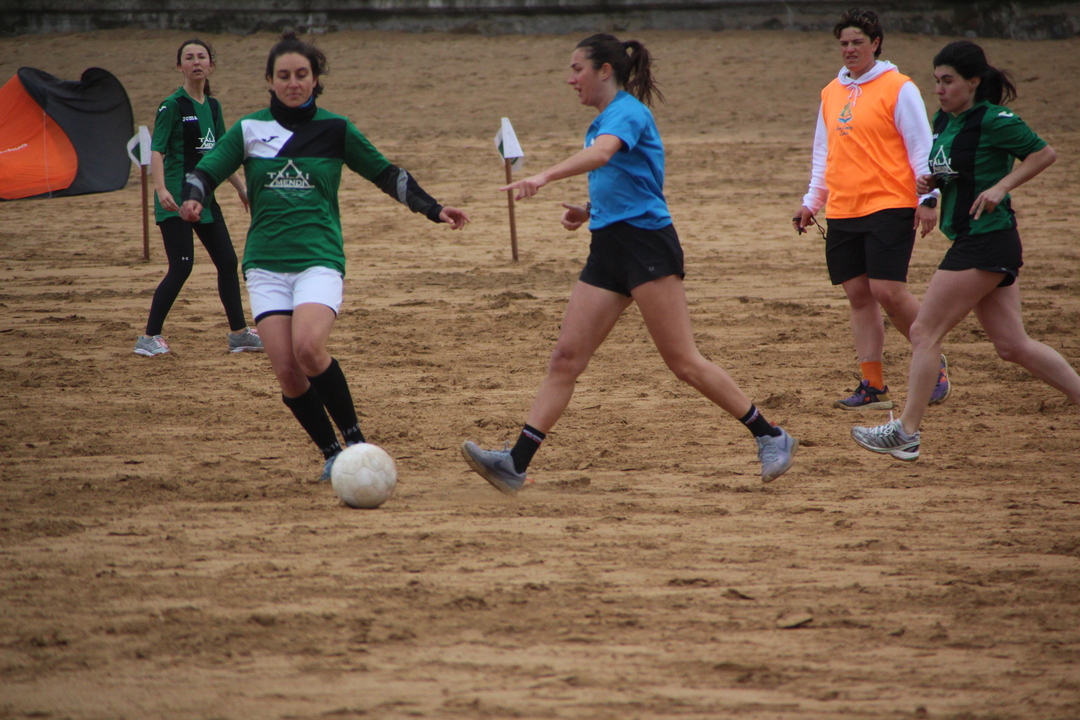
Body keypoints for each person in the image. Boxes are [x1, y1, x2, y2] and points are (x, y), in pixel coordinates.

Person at [461, 33, 798, 495]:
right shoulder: (604, 120)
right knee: (565, 358)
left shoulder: (628, 112)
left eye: (577, 69)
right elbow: (624, 176)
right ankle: (515, 463)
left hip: (646, 246)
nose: (570, 79)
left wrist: (543, 176)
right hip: (609, 247)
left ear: (605, 70)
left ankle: (770, 434)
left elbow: (602, 155)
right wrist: (588, 209)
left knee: (683, 361)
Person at [179, 31, 469, 480]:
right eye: (284, 76)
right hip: (265, 265)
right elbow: (206, 170)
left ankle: (357, 444)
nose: (293, 83)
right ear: (270, 81)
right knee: (287, 371)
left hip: (319, 258)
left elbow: (385, 173)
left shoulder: (336, 129)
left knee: (309, 348)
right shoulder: (250, 129)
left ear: (315, 80)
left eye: (302, 74)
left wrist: (434, 208)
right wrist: (194, 197)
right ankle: (333, 453)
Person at [851, 40, 1080, 461]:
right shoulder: (944, 120)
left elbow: (1043, 153)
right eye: (936, 81)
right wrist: (932, 183)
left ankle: (906, 432)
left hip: (986, 238)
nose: (939, 89)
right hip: (975, 239)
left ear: (973, 82)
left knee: (924, 332)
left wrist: (1001, 186)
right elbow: (951, 170)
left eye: (948, 81)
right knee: (1012, 346)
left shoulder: (993, 119)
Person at [792, 7, 950, 410]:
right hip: (843, 207)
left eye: (857, 42)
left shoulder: (899, 87)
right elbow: (823, 152)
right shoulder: (831, 91)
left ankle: (933, 361)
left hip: (890, 202)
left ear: (875, 43)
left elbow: (922, 147)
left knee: (887, 290)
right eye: (844, 43)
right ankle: (873, 386)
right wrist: (812, 202)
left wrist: (928, 199)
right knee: (858, 295)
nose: (849, 49)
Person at [135, 39, 263, 357]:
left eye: (201, 57)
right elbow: (156, 151)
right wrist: (161, 190)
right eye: (189, 57)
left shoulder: (213, 107)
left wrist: (241, 188)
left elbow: (220, 152)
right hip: (175, 201)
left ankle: (239, 335)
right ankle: (148, 337)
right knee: (181, 267)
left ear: (211, 65)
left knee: (228, 261)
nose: (196, 62)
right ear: (179, 66)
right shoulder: (171, 106)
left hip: (205, 199)